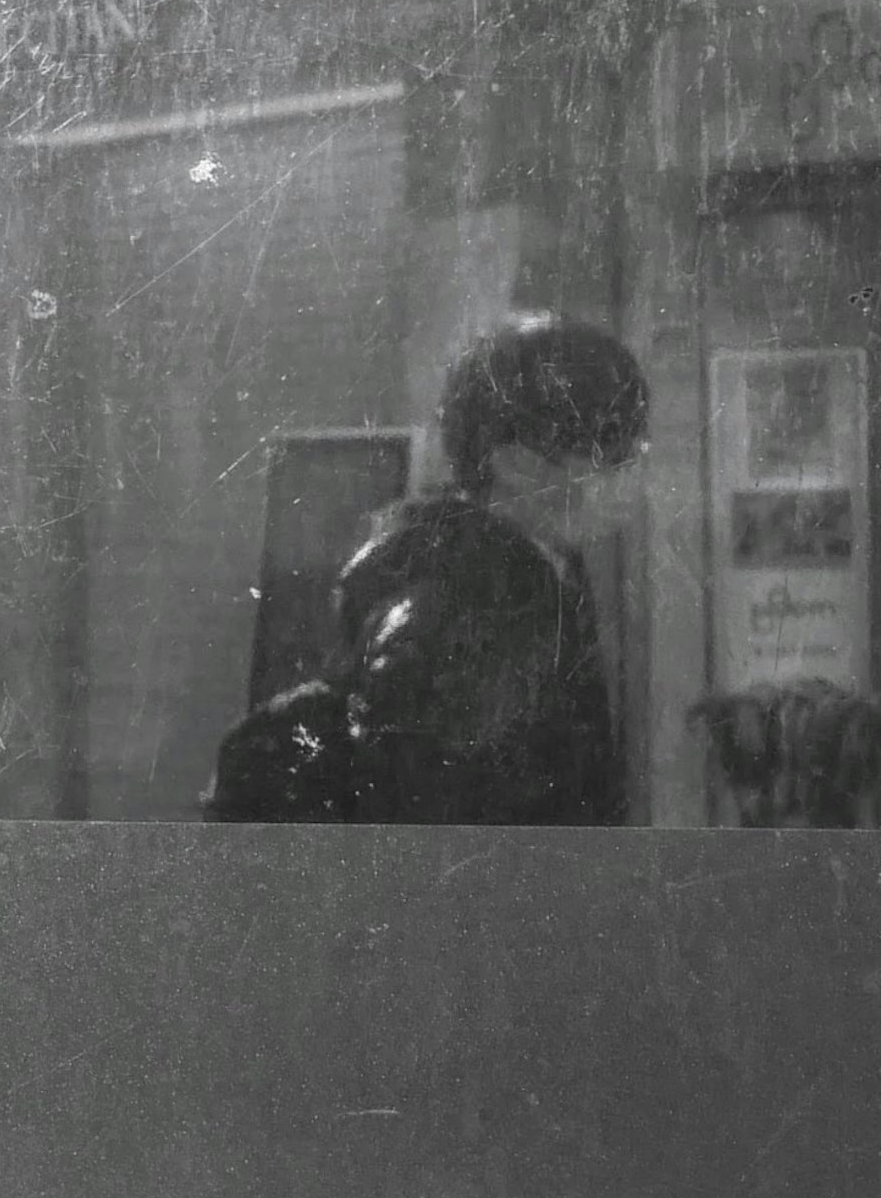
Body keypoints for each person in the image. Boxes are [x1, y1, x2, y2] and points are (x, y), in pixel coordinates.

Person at [205, 309, 646, 824]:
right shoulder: (476, 606)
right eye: (609, 453)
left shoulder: (529, 569)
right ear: (514, 463)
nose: (633, 475)